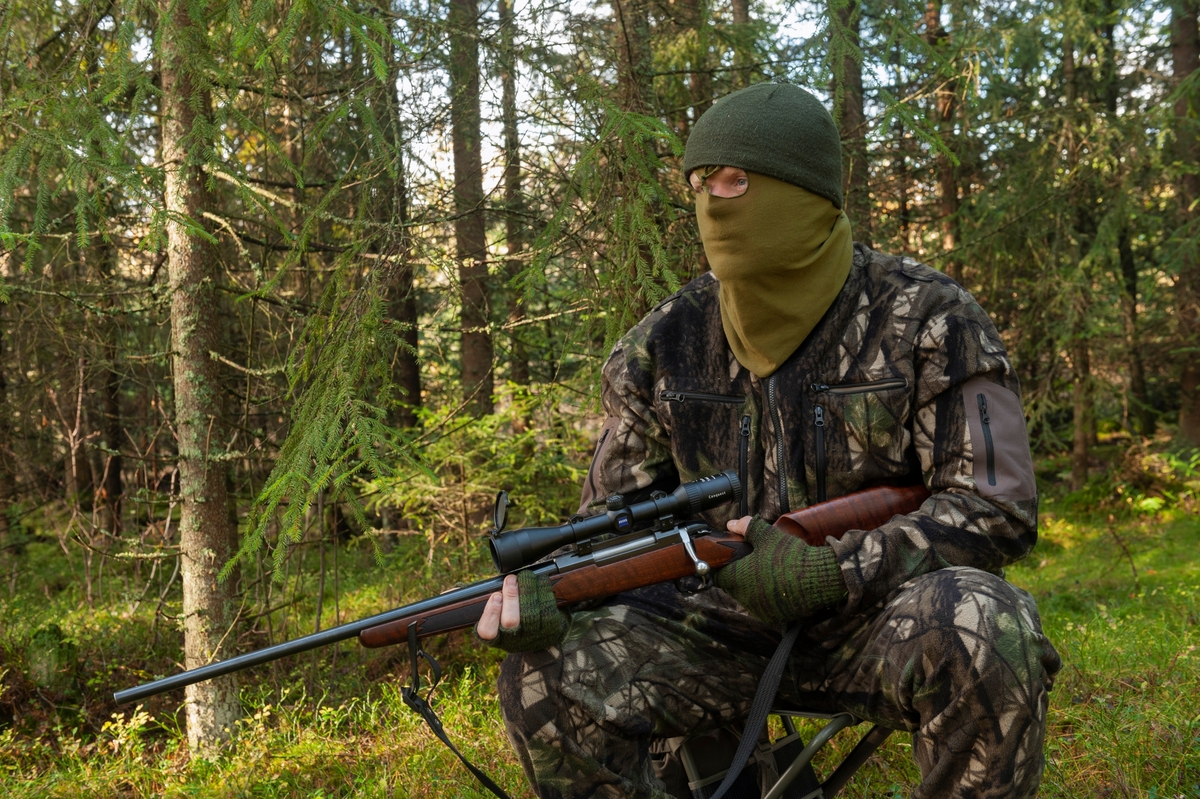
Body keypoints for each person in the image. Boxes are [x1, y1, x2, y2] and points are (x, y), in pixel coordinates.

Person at [476, 82, 1061, 799]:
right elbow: (609, 525)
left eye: (735, 179)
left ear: (803, 188)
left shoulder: (930, 317)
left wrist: (837, 570)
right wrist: (551, 593)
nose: (712, 201)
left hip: (879, 620)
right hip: (717, 629)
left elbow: (996, 507)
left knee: (984, 622)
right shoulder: (664, 342)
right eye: (698, 182)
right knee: (547, 666)